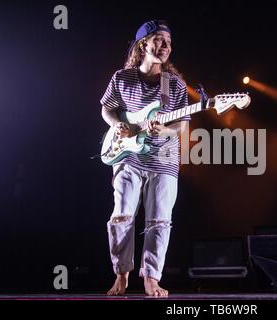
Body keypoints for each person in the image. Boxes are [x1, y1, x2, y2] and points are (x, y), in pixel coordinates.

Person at [100, 20, 190, 297]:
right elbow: (107, 109)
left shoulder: (175, 85)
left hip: (163, 158)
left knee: (160, 220)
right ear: (144, 44)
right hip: (128, 156)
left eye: (169, 42)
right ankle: (121, 275)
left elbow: (181, 125)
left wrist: (164, 128)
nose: (166, 46)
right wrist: (117, 125)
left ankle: (151, 278)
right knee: (121, 215)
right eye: (160, 40)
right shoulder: (121, 78)